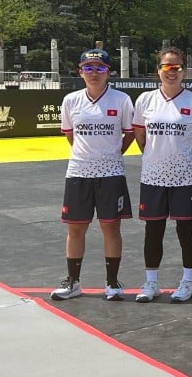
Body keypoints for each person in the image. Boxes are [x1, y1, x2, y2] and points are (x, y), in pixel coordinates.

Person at [50, 49, 135, 301]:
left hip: (111, 173)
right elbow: (69, 134)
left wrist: (113, 153)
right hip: (78, 172)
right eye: (88, 68)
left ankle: (112, 283)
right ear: (80, 72)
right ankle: (73, 282)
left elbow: (129, 133)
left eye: (100, 68)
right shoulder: (71, 100)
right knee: (75, 229)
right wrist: (85, 154)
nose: (94, 73)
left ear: (109, 72)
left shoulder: (121, 100)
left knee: (111, 228)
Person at [132, 46, 192, 303]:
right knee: (153, 230)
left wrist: (188, 156)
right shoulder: (145, 100)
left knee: (186, 230)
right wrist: (152, 154)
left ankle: (188, 282)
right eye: (167, 67)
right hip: (153, 176)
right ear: (158, 70)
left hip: (185, 178)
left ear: (183, 71)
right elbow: (140, 135)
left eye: (176, 67)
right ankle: (151, 283)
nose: (171, 72)